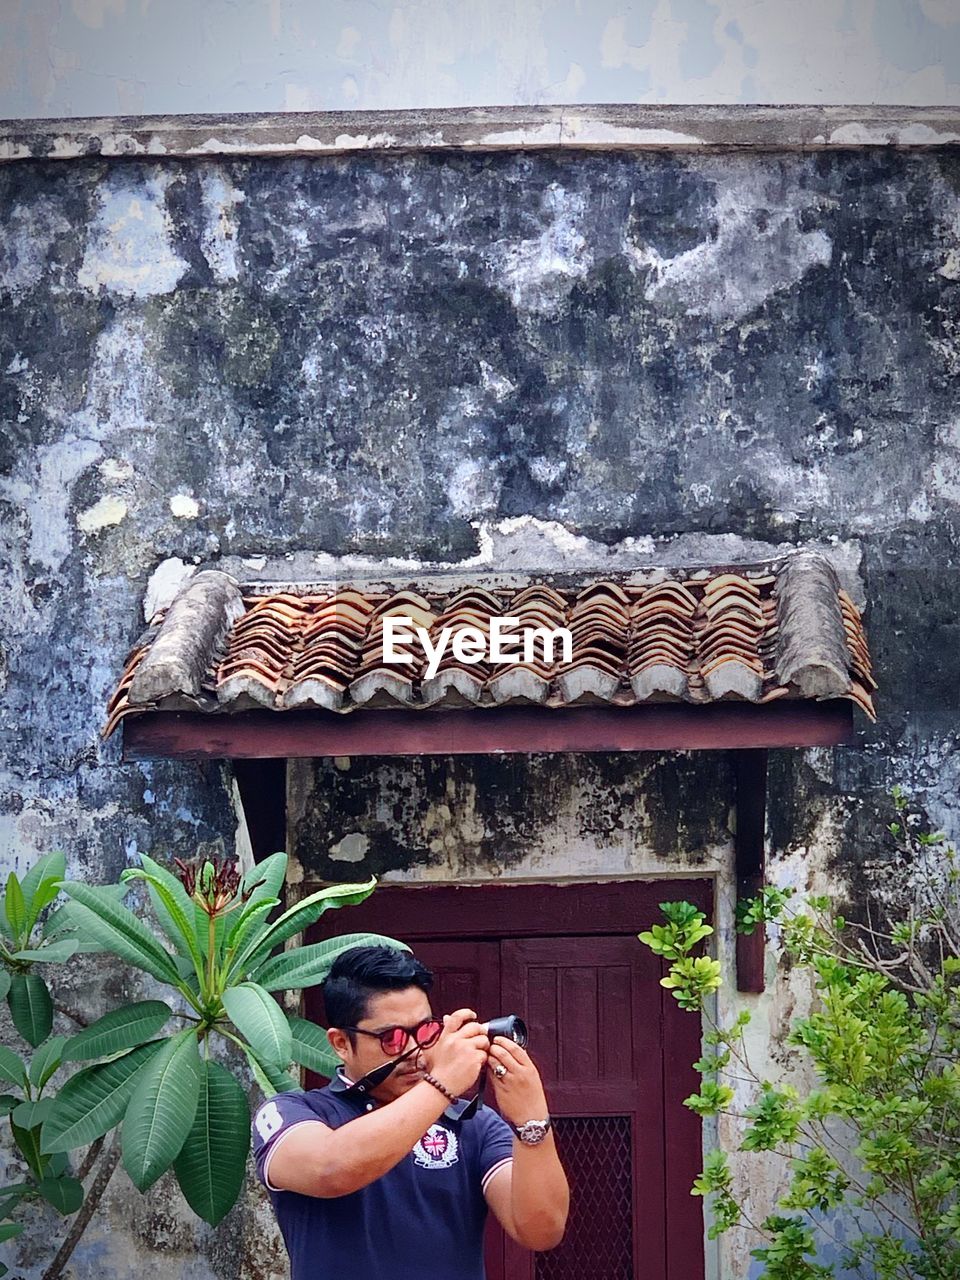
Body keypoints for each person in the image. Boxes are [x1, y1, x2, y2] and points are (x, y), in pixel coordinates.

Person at [252, 945, 569, 1280]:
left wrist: (532, 1121)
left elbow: (540, 1231)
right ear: (341, 1043)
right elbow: (331, 1168)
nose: (413, 1049)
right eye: (392, 1038)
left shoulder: (474, 1124)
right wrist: (442, 1082)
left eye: (424, 1030)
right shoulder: (292, 1112)